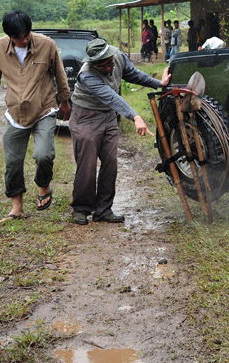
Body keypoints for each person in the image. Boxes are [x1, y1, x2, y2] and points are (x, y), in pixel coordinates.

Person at [0, 10, 71, 223]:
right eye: (19, 37)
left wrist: (64, 102)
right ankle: (17, 208)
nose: (25, 39)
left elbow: (60, 75)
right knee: (13, 163)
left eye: (27, 34)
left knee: (44, 154)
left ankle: (43, 185)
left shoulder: (47, 45)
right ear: (9, 36)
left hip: (44, 110)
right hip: (15, 114)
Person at [69, 38, 171, 225]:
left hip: (108, 117)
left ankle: (103, 210)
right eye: (102, 66)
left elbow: (134, 74)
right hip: (85, 117)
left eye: (109, 63)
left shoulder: (118, 57)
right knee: (87, 165)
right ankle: (81, 209)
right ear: (93, 63)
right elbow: (111, 97)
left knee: (111, 162)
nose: (109, 68)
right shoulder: (87, 74)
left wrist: (159, 84)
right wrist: (135, 116)